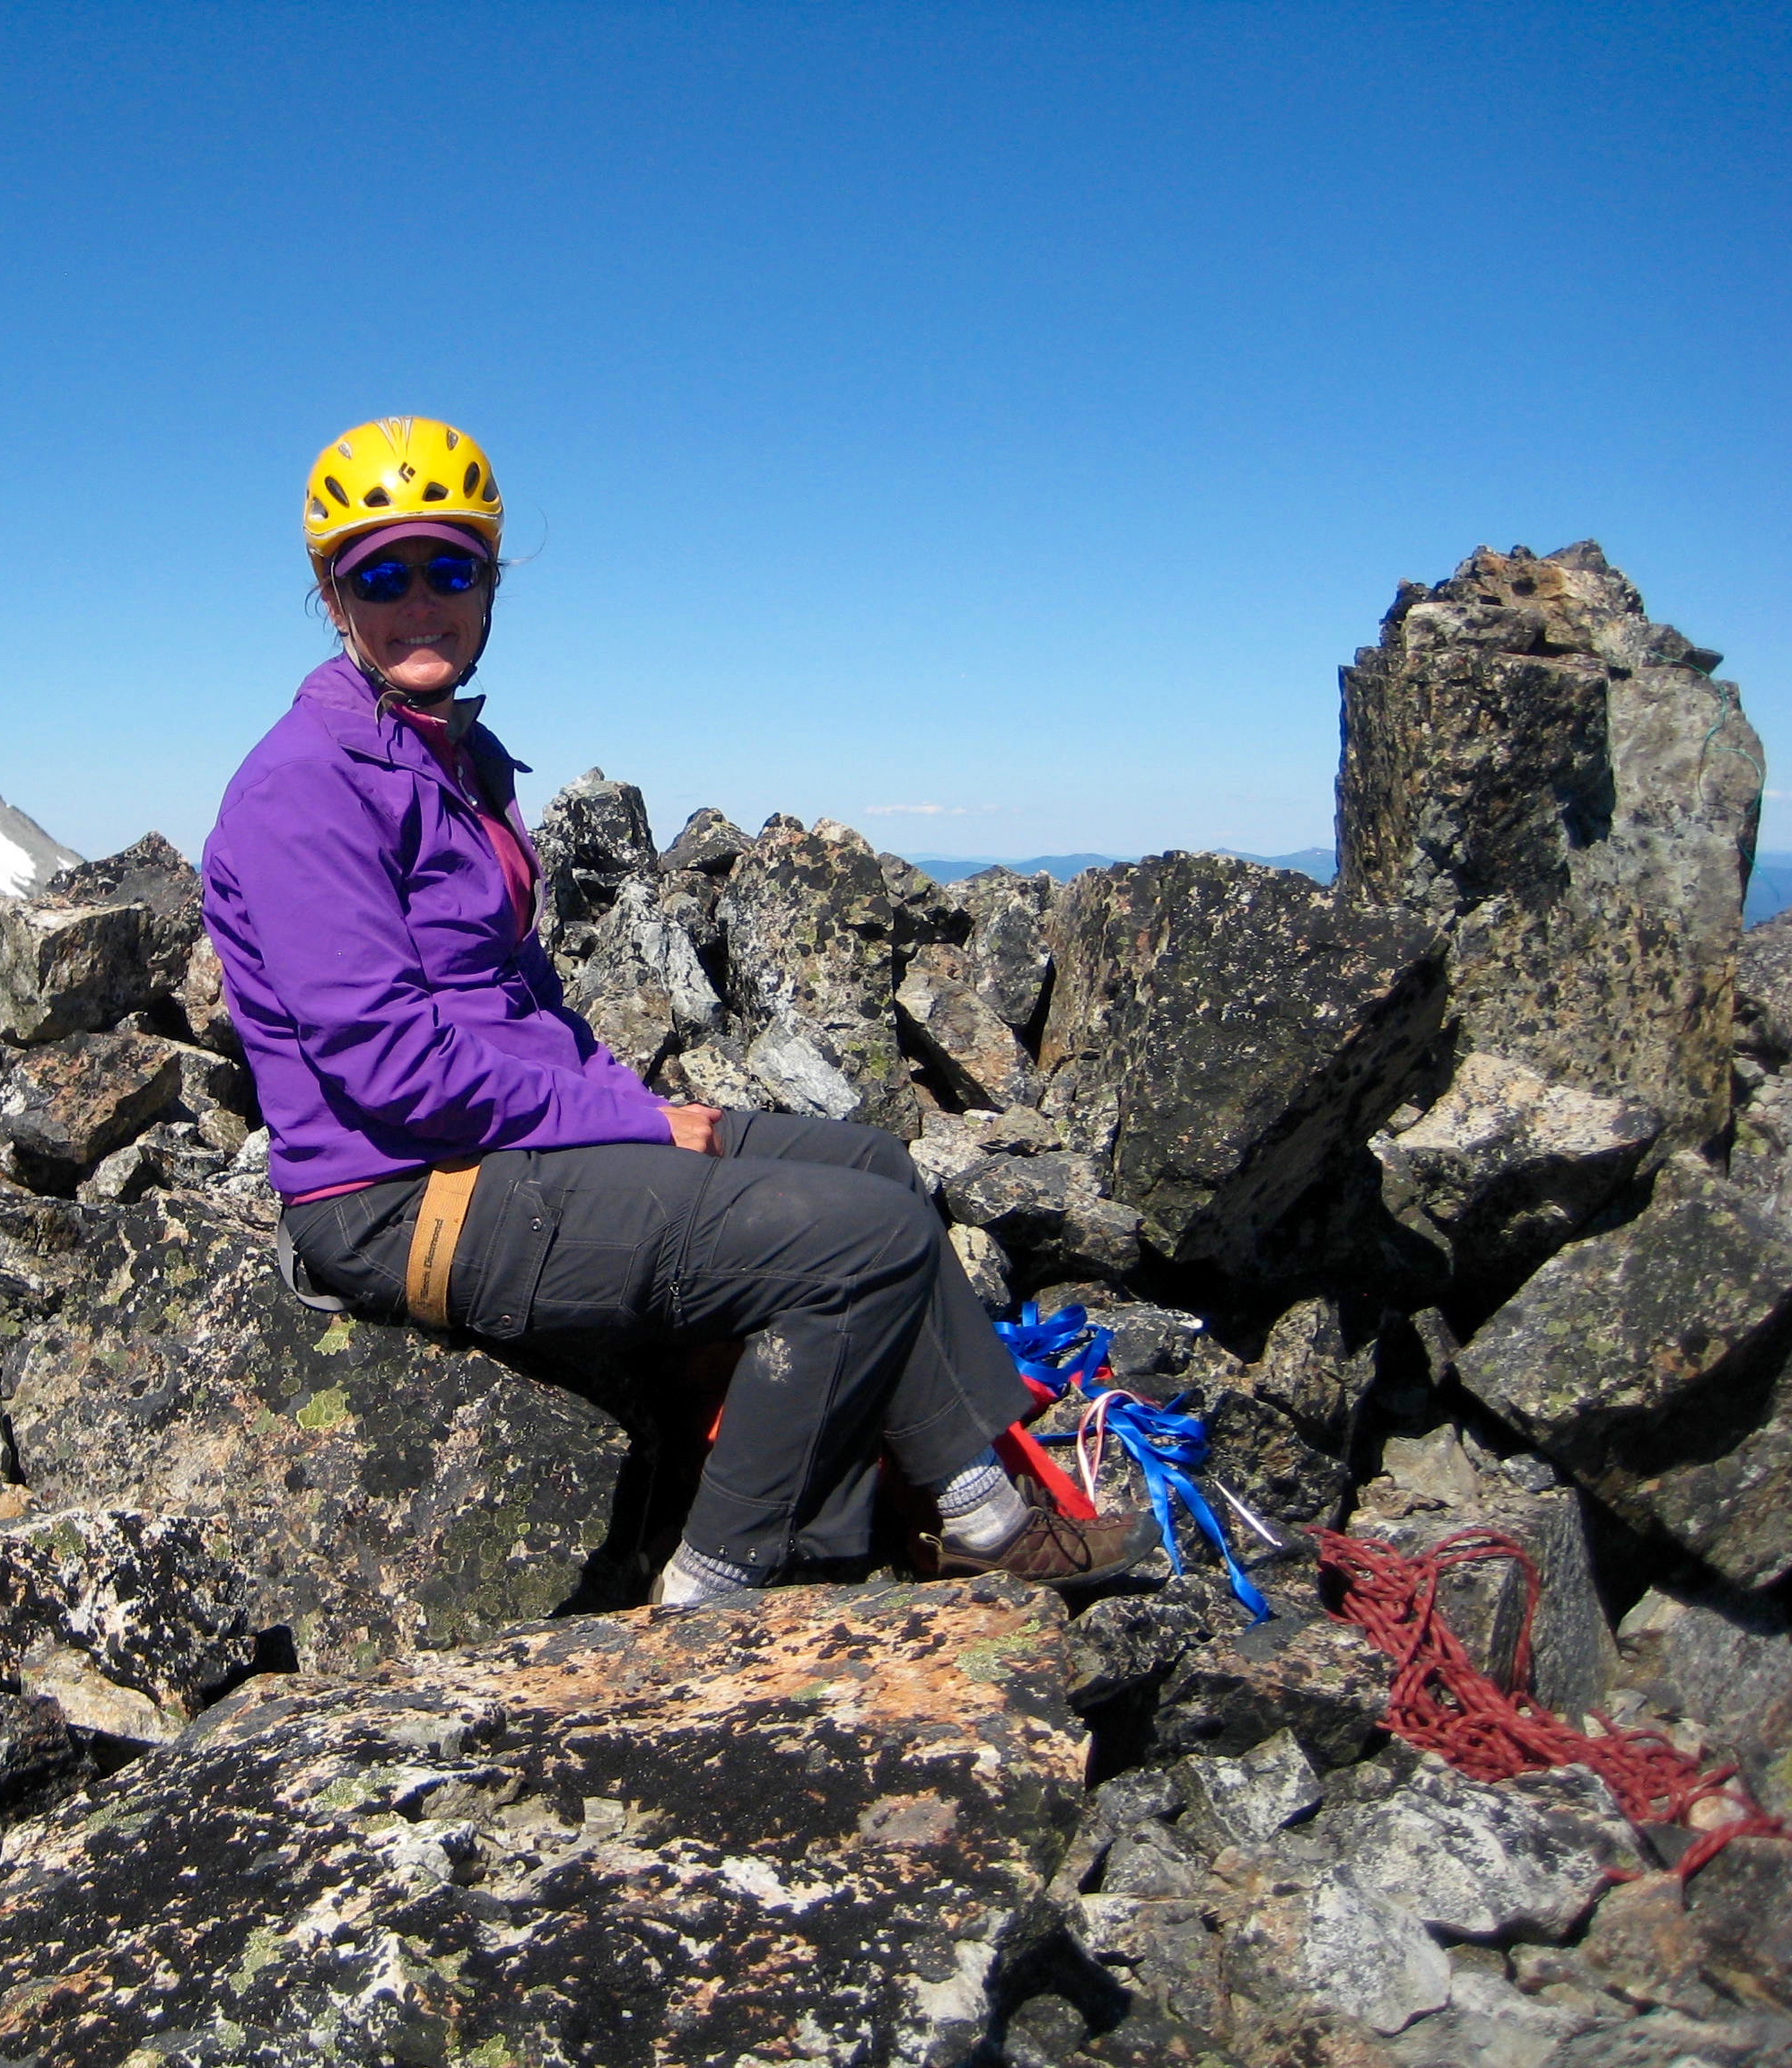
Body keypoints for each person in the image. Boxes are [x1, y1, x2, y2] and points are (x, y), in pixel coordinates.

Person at [198, 416, 1154, 1603]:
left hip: (494, 1142)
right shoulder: (305, 787)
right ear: (334, 597)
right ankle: (725, 1590)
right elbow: (393, 1069)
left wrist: (623, 1104)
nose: (421, 601)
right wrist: (639, 1132)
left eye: (451, 567)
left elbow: (520, 994)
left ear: (491, 580)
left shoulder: (456, 761)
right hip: (400, 1195)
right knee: (857, 1246)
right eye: (381, 575)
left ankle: (976, 1511)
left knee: (878, 1170)